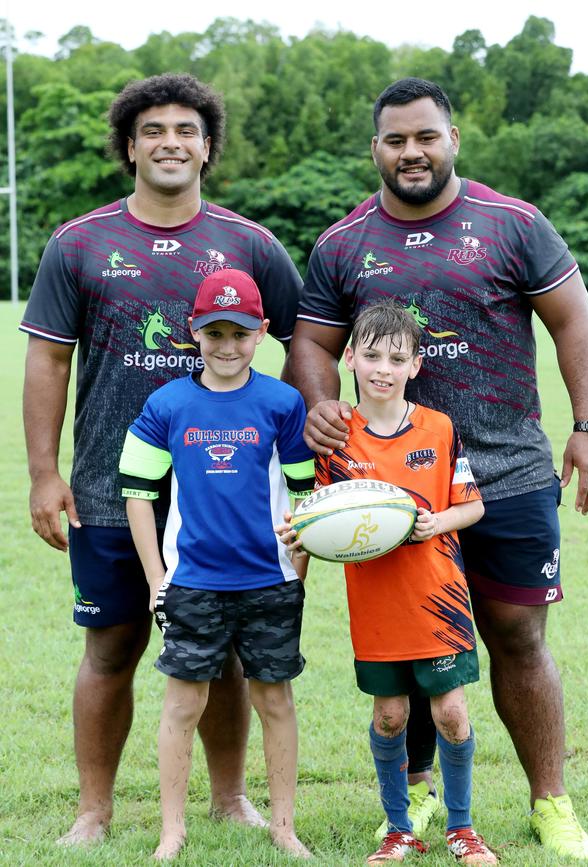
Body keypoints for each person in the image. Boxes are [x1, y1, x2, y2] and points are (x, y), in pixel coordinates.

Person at [287, 77, 588, 861]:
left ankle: (549, 801)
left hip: (511, 471)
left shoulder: (514, 223)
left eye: (425, 136)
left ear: (453, 139)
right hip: (394, 485)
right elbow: (310, 344)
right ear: (375, 149)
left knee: (518, 634)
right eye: (395, 140)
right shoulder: (342, 243)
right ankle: (424, 794)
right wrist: (320, 401)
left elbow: (573, 320)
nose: (411, 152)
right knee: (411, 640)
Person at [20, 73, 303, 846]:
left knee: (233, 652)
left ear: (207, 147)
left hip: (232, 494)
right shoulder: (79, 242)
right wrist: (46, 473)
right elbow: (48, 363)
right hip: (113, 491)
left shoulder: (250, 242)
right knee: (110, 644)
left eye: (185, 129)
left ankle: (228, 798)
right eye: (153, 130)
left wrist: (319, 432)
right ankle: (94, 810)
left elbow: (303, 338)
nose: (170, 142)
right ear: (130, 146)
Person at [278, 304, 495, 864]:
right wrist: (302, 534)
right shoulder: (334, 439)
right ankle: (399, 828)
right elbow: (323, 519)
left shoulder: (439, 428)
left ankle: (463, 828)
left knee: (451, 713)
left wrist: (435, 521)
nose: (382, 368)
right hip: (375, 604)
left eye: (397, 358)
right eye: (371, 355)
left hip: (438, 598)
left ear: (416, 365)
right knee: (390, 715)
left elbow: (470, 507)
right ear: (349, 357)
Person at [119, 269, 314, 860]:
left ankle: (283, 826)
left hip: (269, 581)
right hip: (193, 584)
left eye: (241, 333)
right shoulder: (168, 403)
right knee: (183, 704)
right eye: (215, 333)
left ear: (261, 334)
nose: (227, 346)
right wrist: (157, 579)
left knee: (275, 701)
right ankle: (170, 830)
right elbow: (137, 492)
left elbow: (305, 496)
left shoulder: (283, 402)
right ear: (194, 334)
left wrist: (297, 571)